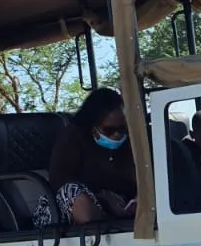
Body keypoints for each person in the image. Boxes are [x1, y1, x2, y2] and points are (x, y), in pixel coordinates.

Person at [33, 87, 137, 228]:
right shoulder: (72, 137)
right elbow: (60, 179)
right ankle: (97, 228)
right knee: (73, 191)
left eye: (122, 129)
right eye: (109, 130)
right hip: (66, 209)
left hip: (120, 206)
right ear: (92, 125)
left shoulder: (131, 144)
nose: (117, 135)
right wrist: (103, 199)